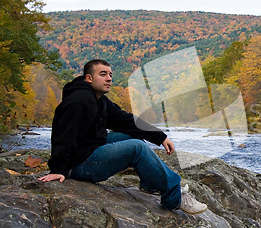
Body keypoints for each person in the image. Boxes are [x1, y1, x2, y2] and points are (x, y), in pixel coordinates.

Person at [38, 59, 207, 215]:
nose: (109, 78)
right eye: (103, 74)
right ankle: (175, 197)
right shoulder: (79, 100)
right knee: (136, 148)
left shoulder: (99, 100)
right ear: (88, 78)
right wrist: (59, 170)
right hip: (77, 165)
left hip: (89, 150)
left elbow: (126, 120)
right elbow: (63, 134)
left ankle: (150, 184)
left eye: (110, 74)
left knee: (130, 136)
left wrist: (160, 137)